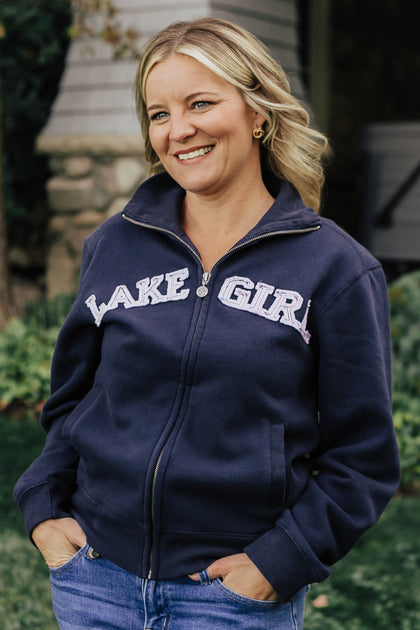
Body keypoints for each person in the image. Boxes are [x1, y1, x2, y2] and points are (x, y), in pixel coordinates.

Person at [14, 17, 400, 630]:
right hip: (95, 579)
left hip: (229, 598)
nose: (178, 130)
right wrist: (45, 512)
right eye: (159, 114)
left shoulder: (336, 269)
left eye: (200, 103)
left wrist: (278, 561)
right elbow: (71, 404)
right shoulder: (114, 245)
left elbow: (363, 458)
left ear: (258, 112)